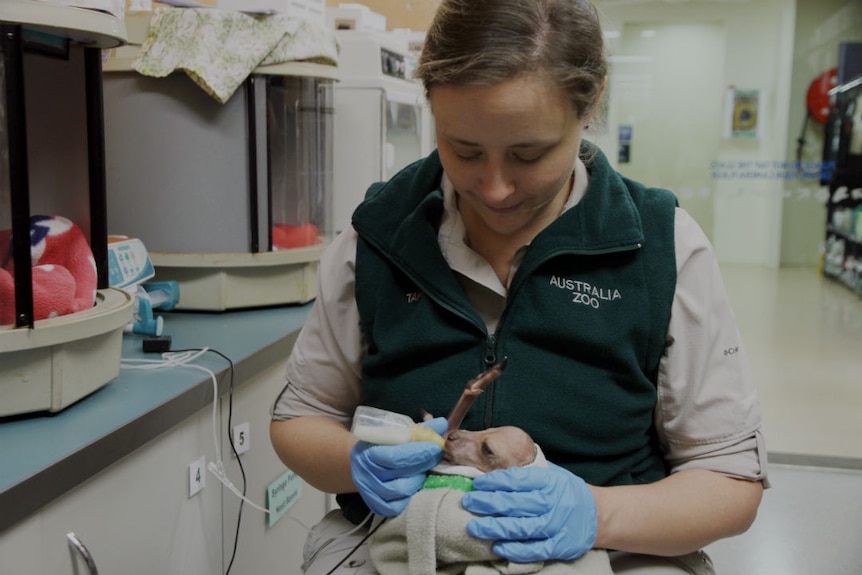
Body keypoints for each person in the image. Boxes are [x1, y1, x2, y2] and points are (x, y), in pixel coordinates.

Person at [270, 0, 768, 573]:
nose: (497, 188)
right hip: (404, 541)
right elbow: (299, 420)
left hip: (608, 552)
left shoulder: (662, 247)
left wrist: (595, 513)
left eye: (529, 154)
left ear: (591, 104)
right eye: (464, 150)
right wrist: (356, 461)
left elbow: (730, 482)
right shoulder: (378, 236)